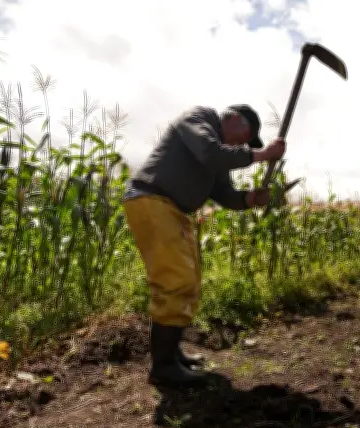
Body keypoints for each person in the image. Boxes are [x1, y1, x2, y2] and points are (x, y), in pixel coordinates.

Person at [122, 104, 286, 387]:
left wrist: (249, 199)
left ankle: (172, 355)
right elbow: (211, 153)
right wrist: (262, 155)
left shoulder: (218, 155)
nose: (244, 144)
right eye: (246, 136)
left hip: (175, 211)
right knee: (176, 280)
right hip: (151, 200)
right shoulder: (199, 120)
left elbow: (224, 193)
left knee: (190, 283)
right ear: (234, 118)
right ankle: (162, 368)